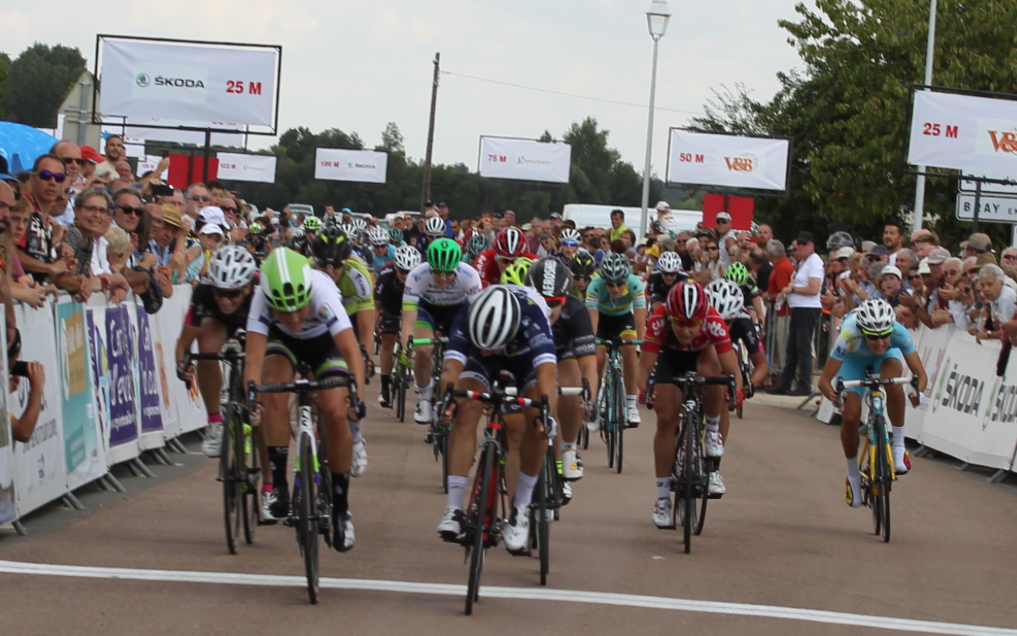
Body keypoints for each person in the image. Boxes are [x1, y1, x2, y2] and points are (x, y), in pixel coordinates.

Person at [244, 248, 367, 550]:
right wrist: (252, 401)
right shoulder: (261, 296)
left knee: (335, 412)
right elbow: (253, 359)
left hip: (325, 344)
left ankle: (340, 506)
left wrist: (357, 399)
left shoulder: (322, 289)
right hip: (283, 342)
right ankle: (279, 487)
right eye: (284, 311)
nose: (296, 317)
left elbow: (352, 352)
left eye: (299, 307)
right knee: (272, 389)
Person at [435, 285, 557, 553]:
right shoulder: (468, 311)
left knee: (537, 422)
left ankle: (520, 507)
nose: (489, 350)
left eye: (493, 346)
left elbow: (547, 375)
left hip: (524, 360)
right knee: (464, 409)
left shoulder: (533, 318)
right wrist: (448, 400)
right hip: (478, 361)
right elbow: (451, 368)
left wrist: (546, 415)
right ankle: (454, 508)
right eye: (483, 344)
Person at [639, 282, 742, 523]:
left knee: (714, 371)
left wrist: (735, 391)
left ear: (703, 317)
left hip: (703, 355)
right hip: (670, 357)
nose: (686, 330)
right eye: (680, 323)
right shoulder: (658, 318)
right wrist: (645, 389)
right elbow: (644, 369)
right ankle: (663, 498)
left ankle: (712, 431)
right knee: (666, 420)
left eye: (693, 324)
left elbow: (731, 369)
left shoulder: (713, 320)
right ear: (670, 316)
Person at [817, 299, 927, 507]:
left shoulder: (898, 332)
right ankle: (853, 476)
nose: (879, 342)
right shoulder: (848, 335)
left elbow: (920, 374)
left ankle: (899, 446)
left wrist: (917, 392)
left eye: (884, 335)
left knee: (894, 384)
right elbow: (824, 381)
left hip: (886, 358)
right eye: (873, 337)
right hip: (852, 360)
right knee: (850, 416)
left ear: (890, 330)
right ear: (862, 331)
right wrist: (836, 397)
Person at [176, 246, 258, 458]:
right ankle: (214, 423)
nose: (225, 300)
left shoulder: (261, 289)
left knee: (256, 359)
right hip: (219, 321)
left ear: (247, 288)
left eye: (232, 294)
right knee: (206, 349)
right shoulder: (204, 290)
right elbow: (184, 341)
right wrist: (182, 365)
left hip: (253, 319)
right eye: (220, 292)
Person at [526, 258, 597, 488]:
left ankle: (568, 448)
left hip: (562, 352)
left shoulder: (577, 311)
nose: (546, 310)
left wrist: (590, 401)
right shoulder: (520, 306)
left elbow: (589, 365)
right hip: (530, 353)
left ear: (564, 298)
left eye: (553, 303)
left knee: (572, 385)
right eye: (540, 302)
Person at [401, 239, 483, 423]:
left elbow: (478, 317)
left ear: (457, 268)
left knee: (463, 355)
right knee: (422, 350)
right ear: (429, 267)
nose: (443, 277)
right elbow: (408, 320)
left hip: (458, 311)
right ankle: (424, 398)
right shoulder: (416, 276)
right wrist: (408, 347)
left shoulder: (470, 275)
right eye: (437, 272)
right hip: (427, 309)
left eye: (448, 273)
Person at [586, 253, 647, 426]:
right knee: (596, 358)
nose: (615, 288)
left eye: (619, 283)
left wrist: (640, 345)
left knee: (629, 351)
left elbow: (640, 319)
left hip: (624, 319)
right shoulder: (594, 286)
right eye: (610, 284)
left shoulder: (635, 283)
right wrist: (592, 342)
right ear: (603, 281)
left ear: (626, 280)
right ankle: (594, 404)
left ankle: (630, 404)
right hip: (602, 320)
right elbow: (593, 324)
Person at [770, 232, 823, 396]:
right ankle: (785, 384)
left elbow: (814, 289)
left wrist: (792, 289)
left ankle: (804, 384)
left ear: (811, 246)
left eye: (803, 243)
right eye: (797, 244)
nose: (799, 247)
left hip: (807, 308)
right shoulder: (803, 263)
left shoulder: (814, 261)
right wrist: (788, 291)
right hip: (799, 307)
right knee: (792, 348)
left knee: (803, 347)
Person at [375, 245, 422, 408]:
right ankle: (384, 388)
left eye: (410, 272)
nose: (405, 275)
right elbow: (376, 302)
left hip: (413, 304)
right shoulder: (386, 274)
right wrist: (377, 321)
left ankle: (419, 375)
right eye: (402, 271)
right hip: (391, 304)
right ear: (395, 267)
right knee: (387, 341)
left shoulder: (422, 276)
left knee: (419, 337)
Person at [473, 227, 538, 288]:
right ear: (495, 256)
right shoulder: (485, 258)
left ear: (523, 257)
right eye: (504, 260)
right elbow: (478, 293)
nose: (509, 265)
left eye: (514, 261)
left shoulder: (532, 260)